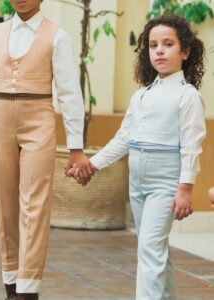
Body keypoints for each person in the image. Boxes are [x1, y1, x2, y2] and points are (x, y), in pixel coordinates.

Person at [68, 14, 206, 300]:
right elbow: (123, 139)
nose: (159, 50)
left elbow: (192, 146)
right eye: (153, 45)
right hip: (138, 182)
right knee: (152, 247)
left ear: (185, 51)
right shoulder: (141, 96)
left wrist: (185, 188)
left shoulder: (187, 95)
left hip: (166, 183)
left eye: (168, 44)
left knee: (150, 248)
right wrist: (92, 164)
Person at [0, 0, 93, 299]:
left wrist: (76, 147)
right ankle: (11, 281)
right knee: (5, 205)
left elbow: (69, 92)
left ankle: (28, 288)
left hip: (39, 122)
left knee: (34, 205)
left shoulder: (57, 36)